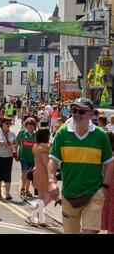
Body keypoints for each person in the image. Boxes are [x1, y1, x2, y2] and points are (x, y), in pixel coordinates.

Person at [48, 98, 114, 234]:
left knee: (90, 231)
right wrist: (52, 181)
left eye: (81, 111)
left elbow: (109, 163)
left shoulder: (100, 135)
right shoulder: (62, 133)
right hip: (69, 194)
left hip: (94, 193)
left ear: (90, 114)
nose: (77, 114)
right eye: (74, 111)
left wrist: (104, 187)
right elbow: (53, 160)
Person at [26, 127, 52, 227]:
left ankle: (40, 219)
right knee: (49, 197)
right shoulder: (44, 148)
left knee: (41, 197)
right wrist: (52, 175)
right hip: (44, 175)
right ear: (46, 136)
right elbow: (46, 163)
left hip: (37, 173)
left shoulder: (37, 146)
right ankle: (32, 215)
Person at [0, 117, 16, 200]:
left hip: (8, 156)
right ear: (2, 123)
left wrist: (13, 146)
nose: (9, 125)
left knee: (8, 174)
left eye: (10, 123)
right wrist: (1, 142)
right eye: (7, 123)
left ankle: (8, 193)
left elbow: (16, 144)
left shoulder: (12, 133)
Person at [16, 118, 37, 198]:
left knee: (30, 174)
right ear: (26, 125)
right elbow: (16, 143)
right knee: (25, 171)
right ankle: (22, 188)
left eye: (32, 124)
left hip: (32, 157)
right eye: (29, 124)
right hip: (23, 156)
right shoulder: (22, 133)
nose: (30, 126)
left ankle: (27, 190)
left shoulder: (36, 135)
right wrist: (15, 154)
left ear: (34, 126)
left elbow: (38, 146)